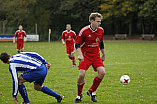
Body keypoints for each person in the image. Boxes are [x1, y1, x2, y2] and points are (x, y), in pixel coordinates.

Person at [74, 12, 106, 103]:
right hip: (85, 56)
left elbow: (101, 42)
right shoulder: (84, 31)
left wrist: (103, 54)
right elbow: (77, 44)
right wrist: (80, 54)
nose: (100, 23)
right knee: (81, 75)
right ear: (92, 21)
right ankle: (79, 95)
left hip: (96, 56)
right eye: (98, 21)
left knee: (102, 72)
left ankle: (91, 91)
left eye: (100, 21)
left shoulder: (101, 30)